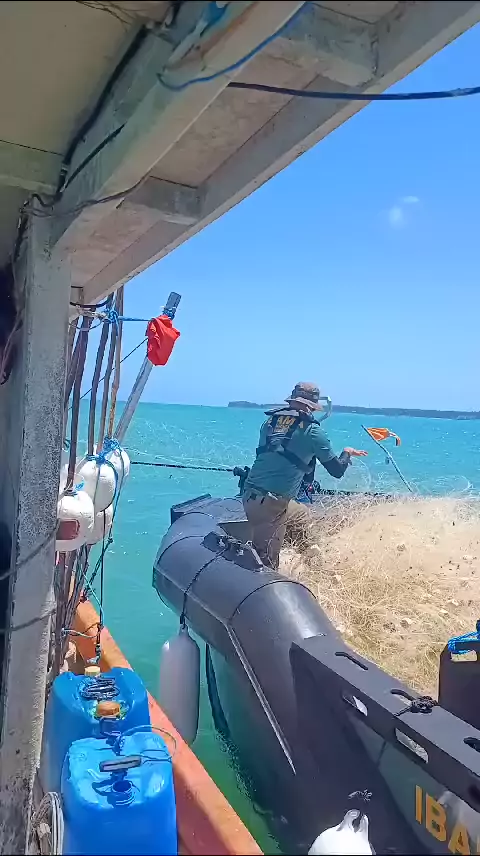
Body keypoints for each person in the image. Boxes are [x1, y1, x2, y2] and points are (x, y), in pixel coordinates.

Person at [242, 382, 367, 568]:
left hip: (250, 494)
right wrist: (347, 452)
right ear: (312, 406)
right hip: (270, 504)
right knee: (265, 563)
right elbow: (337, 471)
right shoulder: (313, 431)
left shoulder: (269, 423)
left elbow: (275, 457)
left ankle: (313, 562)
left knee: (302, 516)